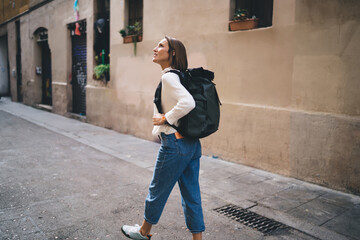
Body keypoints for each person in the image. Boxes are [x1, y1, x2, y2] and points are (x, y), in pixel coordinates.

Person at [121, 36, 205, 240]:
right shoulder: (181, 76)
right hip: (191, 144)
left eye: (161, 46)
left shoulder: (169, 77)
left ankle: (143, 232)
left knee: (157, 190)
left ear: (172, 53)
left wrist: (165, 118)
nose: (155, 48)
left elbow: (188, 102)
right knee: (191, 195)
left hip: (174, 144)